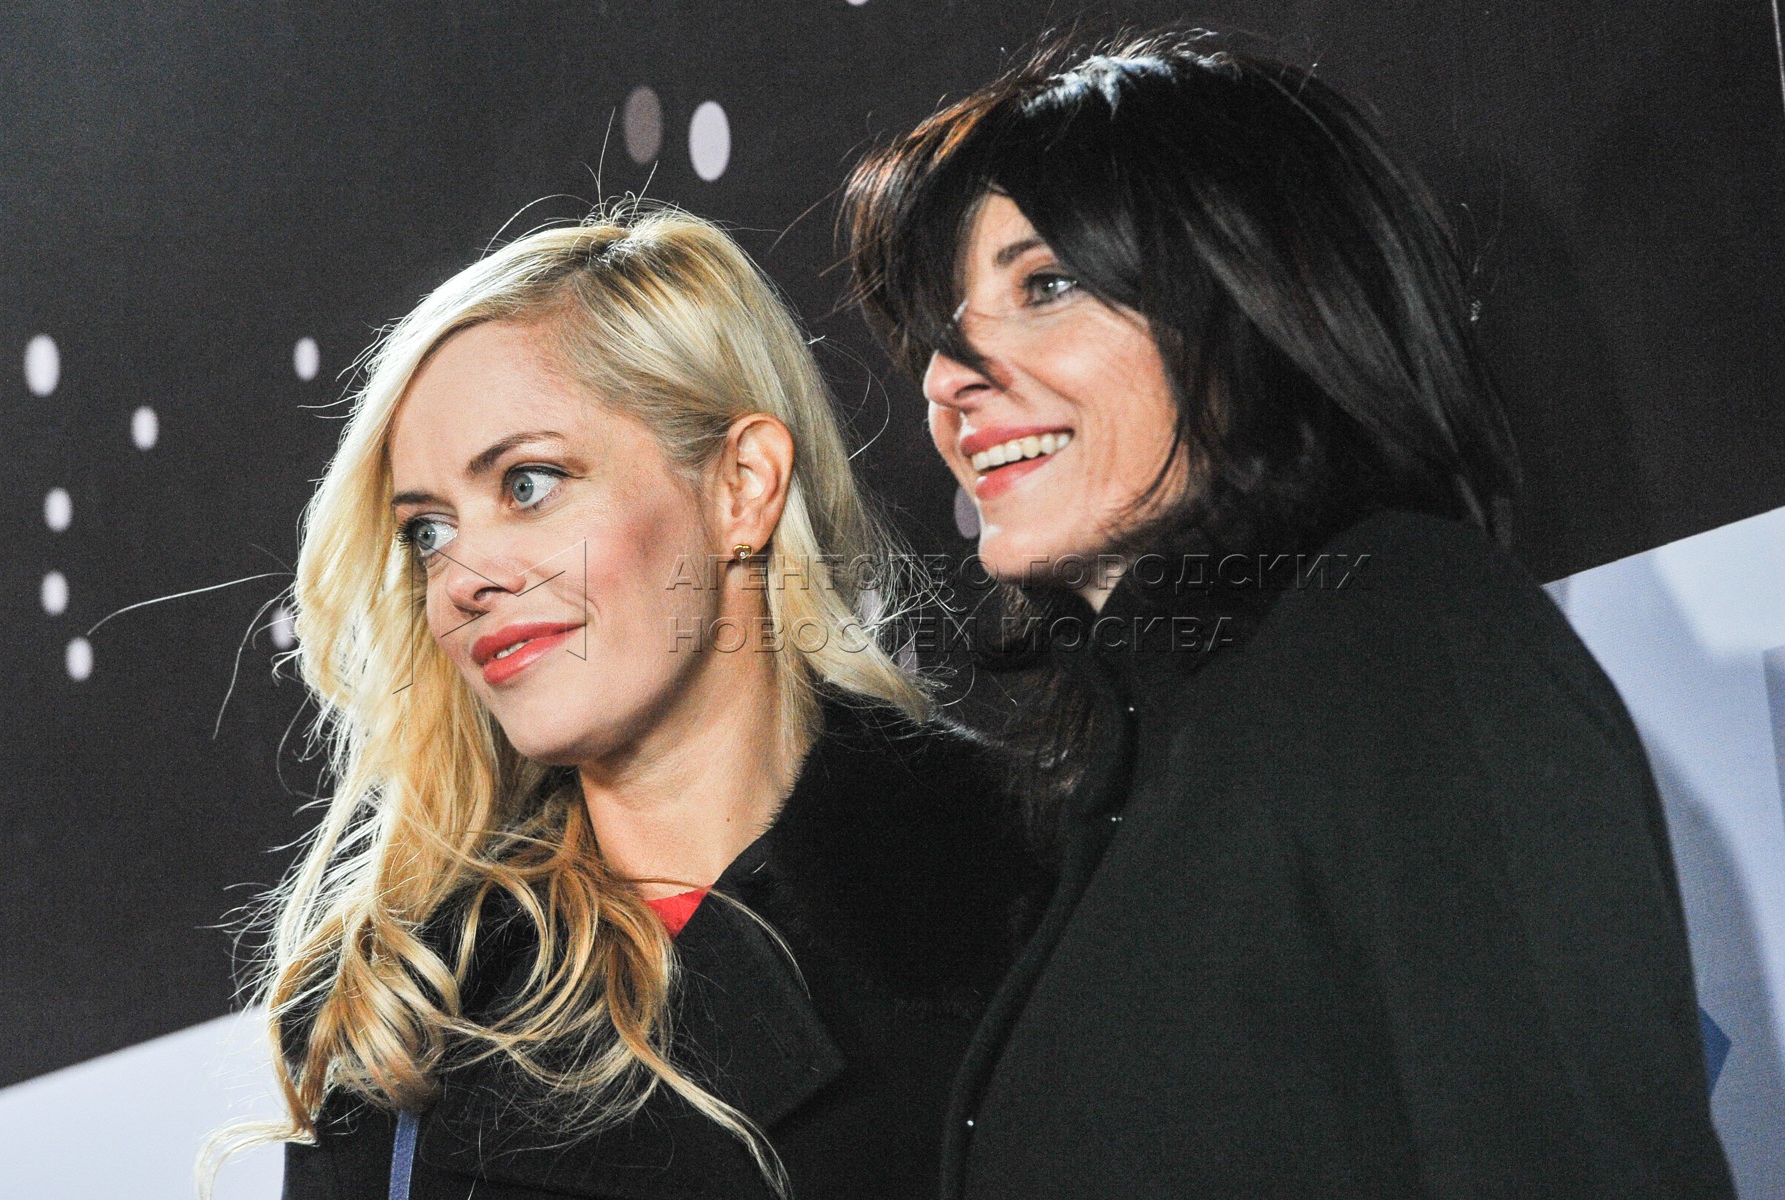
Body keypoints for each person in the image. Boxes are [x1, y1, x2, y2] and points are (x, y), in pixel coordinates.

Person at [840, 30, 1736, 1199]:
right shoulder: (1135, 784)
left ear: (1254, 299)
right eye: (942, 326)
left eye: (1044, 285)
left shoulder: (1404, 634)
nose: (945, 377)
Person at [199, 206, 1044, 1200]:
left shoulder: (1029, 883)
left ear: (742, 485)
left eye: (528, 484)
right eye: (427, 532)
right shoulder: (400, 1009)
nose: (463, 578)